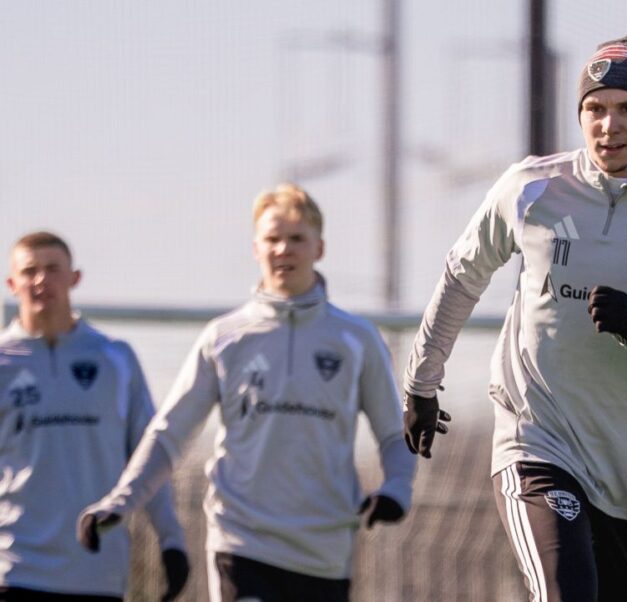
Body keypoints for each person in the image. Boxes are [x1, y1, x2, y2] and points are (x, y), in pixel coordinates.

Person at [404, 35, 627, 601]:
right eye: (594, 108)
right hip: (536, 443)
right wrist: (422, 381)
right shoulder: (532, 187)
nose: (608, 125)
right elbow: (462, 273)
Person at [78, 184, 416, 602]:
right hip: (240, 541)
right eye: (272, 239)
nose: (283, 249)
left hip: (325, 550)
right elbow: (169, 434)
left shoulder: (357, 338)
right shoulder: (224, 337)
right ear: (256, 248)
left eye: (296, 238)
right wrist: (121, 500)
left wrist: (397, 488)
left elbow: (393, 433)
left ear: (320, 248)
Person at [0, 231, 188, 601]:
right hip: (15, 568)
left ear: (74, 278)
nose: (41, 280)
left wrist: (171, 540)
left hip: (97, 573)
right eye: (29, 271)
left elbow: (149, 458)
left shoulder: (114, 358)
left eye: (53, 268)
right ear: (12, 284)